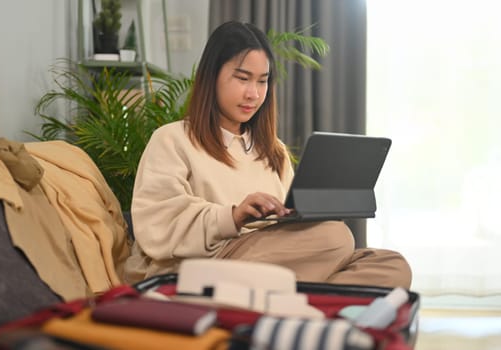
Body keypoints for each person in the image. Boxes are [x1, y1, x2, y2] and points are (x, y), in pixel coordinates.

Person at [123, 21, 412, 289]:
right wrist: (233, 217)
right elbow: (157, 227)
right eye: (242, 78)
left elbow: (295, 242)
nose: (253, 93)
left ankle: (289, 298)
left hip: (271, 260)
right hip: (200, 266)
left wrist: (298, 216)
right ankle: (311, 299)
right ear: (211, 77)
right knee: (335, 237)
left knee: (392, 265)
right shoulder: (173, 139)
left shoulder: (274, 151)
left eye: (262, 81)